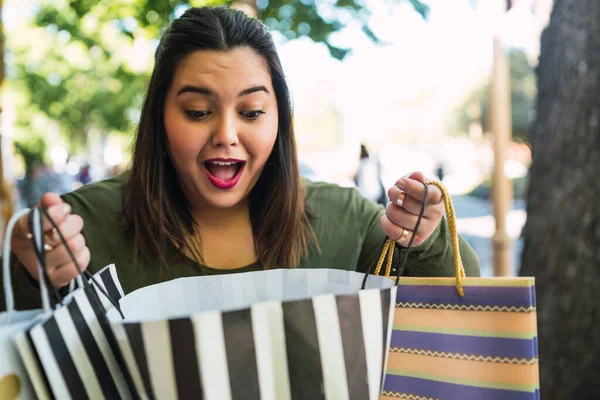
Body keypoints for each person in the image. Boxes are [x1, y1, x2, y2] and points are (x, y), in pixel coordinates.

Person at [1, 7, 479, 310]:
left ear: (279, 119)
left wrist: (424, 237)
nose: (225, 135)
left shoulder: (346, 220)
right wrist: (27, 265)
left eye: (251, 111)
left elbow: (460, 297)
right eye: (198, 111)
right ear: (158, 117)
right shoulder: (87, 223)